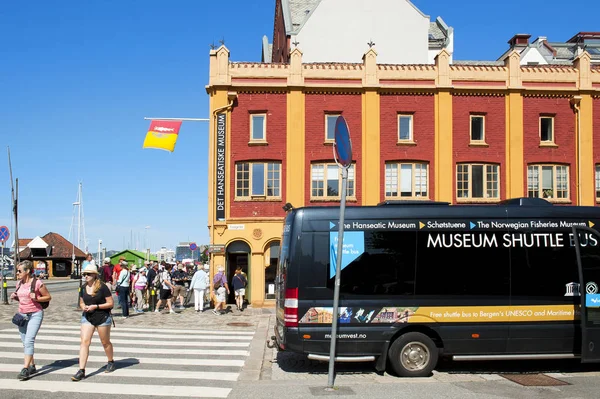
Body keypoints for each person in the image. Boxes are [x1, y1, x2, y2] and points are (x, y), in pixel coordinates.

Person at [72, 263, 115, 381]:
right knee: (84, 342)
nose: (86, 276)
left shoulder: (102, 287)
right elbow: (81, 302)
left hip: (102, 317)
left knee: (105, 342)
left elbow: (111, 303)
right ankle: (81, 370)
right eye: (84, 274)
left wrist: (95, 306)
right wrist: (83, 307)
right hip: (87, 317)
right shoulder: (83, 287)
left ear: (95, 275)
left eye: (88, 274)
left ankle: (110, 361)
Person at [10, 260, 52, 381]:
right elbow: (23, 299)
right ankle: (32, 365)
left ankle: (25, 368)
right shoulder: (19, 283)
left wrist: (38, 297)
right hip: (22, 315)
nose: (17, 273)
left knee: (29, 340)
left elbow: (48, 297)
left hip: (35, 314)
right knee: (25, 342)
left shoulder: (38, 283)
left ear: (27, 271)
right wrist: (16, 297)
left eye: (19, 271)